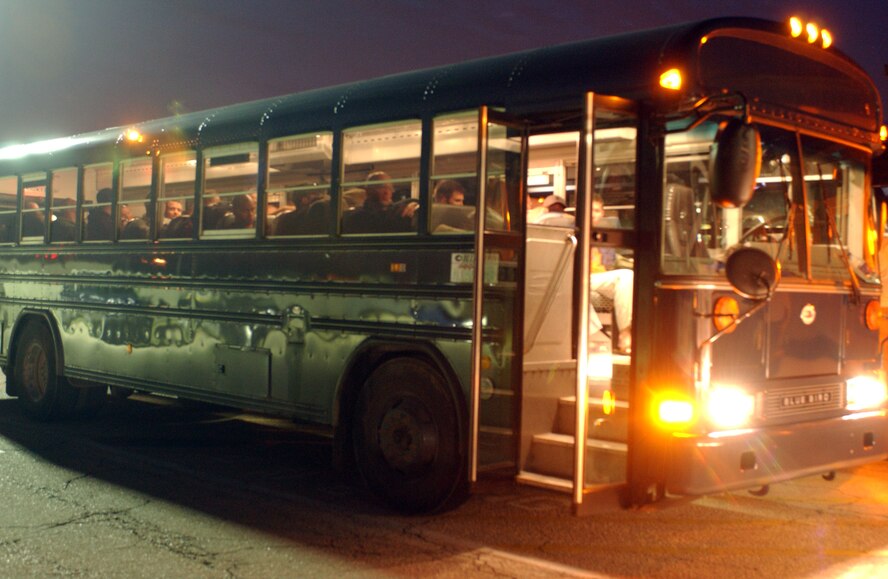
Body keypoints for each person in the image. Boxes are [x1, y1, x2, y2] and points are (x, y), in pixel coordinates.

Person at [589, 194, 633, 353]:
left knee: (630, 281)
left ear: (602, 213)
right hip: (581, 276)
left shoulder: (602, 234)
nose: (593, 214)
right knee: (626, 276)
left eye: (596, 210)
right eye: (590, 209)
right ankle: (625, 334)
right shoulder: (576, 230)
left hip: (599, 279)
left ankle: (630, 333)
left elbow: (612, 262)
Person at [341, 171, 417, 234]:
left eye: (389, 187)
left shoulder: (401, 211)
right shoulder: (356, 219)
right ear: (368, 191)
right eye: (381, 186)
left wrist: (415, 204)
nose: (387, 191)